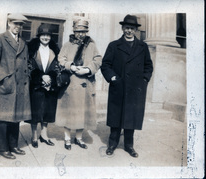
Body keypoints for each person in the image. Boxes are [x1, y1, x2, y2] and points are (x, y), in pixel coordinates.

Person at [101, 14, 153, 157]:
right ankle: (112, 144)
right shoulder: (114, 45)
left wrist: (144, 80)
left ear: (136, 30)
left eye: (132, 28)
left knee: (132, 118)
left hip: (136, 89)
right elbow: (105, 65)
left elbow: (148, 66)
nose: (129, 31)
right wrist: (112, 78)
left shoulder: (143, 46)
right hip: (119, 86)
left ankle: (129, 146)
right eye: (126, 28)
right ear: (122, 28)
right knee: (116, 117)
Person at [0, 14, 31, 159]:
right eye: (15, 23)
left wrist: (27, 76)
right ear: (9, 23)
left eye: (20, 25)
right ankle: (2, 148)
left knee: (16, 117)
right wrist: (5, 78)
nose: (18, 27)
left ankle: (13, 145)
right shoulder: (0, 39)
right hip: (6, 85)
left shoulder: (23, 42)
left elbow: (26, 63)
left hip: (20, 86)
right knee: (3, 118)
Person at [56, 18, 102, 150]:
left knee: (82, 112)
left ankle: (79, 138)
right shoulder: (67, 45)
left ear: (86, 32)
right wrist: (71, 67)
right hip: (70, 85)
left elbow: (98, 60)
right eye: (78, 31)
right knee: (68, 112)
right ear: (74, 31)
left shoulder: (92, 46)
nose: (80, 34)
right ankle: (67, 138)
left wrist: (88, 69)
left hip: (85, 84)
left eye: (83, 31)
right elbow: (61, 59)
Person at [26, 24, 60, 148]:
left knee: (47, 111)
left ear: (51, 37)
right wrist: (41, 76)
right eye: (43, 35)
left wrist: (51, 77)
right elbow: (28, 66)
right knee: (35, 112)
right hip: (35, 85)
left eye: (48, 35)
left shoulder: (55, 50)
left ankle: (44, 135)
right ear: (39, 36)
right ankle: (34, 135)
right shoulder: (31, 49)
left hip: (50, 86)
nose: (45, 37)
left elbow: (58, 66)